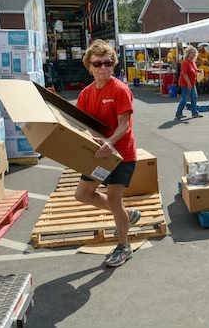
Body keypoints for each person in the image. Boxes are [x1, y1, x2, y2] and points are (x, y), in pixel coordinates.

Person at [74, 39, 141, 268]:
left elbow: (124, 125)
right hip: (98, 154)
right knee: (82, 194)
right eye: (98, 64)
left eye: (107, 63)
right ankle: (126, 214)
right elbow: (81, 123)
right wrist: (88, 138)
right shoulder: (85, 94)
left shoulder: (120, 89)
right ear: (89, 67)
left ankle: (124, 246)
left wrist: (110, 143)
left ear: (113, 65)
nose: (103, 68)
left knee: (114, 198)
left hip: (121, 155)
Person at [175, 46, 203, 120]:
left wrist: (198, 70)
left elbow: (194, 70)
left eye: (195, 53)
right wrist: (188, 83)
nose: (193, 54)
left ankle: (194, 113)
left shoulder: (192, 62)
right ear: (188, 53)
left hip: (192, 82)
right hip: (185, 83)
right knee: (184, 99)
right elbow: (184, 74)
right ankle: (178, 113)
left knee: (194, 97)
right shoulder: (185, 62)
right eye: (192, 53)